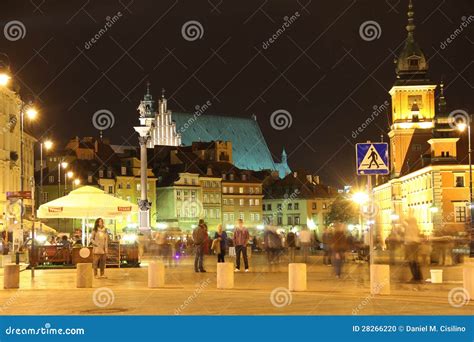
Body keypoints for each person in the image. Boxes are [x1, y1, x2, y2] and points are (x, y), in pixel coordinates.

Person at [403, 217, 423, 283]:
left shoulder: (409, 227)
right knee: (415, 260)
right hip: (415, 244)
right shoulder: (416, 227)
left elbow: (409, 237)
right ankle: (418, 276)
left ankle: (415, 277)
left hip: (411, 244)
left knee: (412, 261)